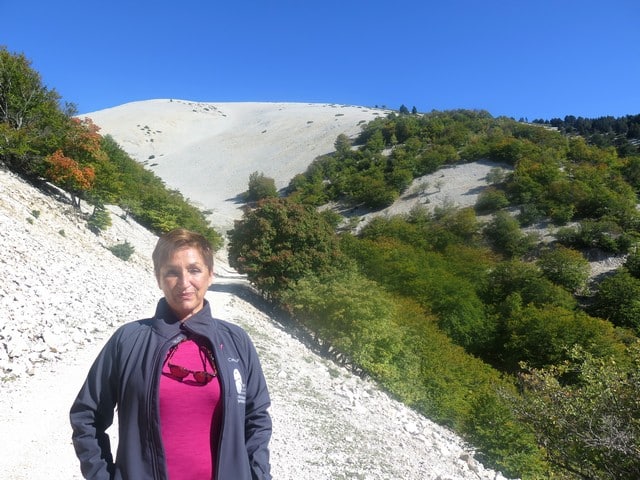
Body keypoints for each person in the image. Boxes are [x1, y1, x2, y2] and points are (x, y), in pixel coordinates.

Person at [70, 228, 272, 479]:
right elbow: (86, 417)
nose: (184, 282)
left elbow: (256, 418)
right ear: (158, 277)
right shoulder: (128, 339)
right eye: (172, 272)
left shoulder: (235, 340)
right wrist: (101, 475)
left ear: (210, 274)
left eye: (194, 270)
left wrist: (258, 475)